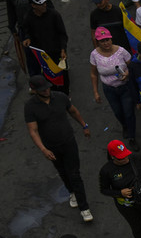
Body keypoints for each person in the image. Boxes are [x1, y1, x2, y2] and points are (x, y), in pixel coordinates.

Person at [24, 75, 94, 222]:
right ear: (35, 90)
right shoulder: (30, 107)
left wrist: (84, 125)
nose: (46, 91)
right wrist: (43, 149)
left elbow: (73, 111)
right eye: (42, 89)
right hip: (51, 147)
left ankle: (84, 208)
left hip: (69, 142)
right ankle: (72, 192)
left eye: (47, 88)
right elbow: (33, 131)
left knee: (74, 174)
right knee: (62, 171)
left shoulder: (60, 97)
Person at [91, 28, 139, 149]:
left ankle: (132, 137)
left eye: (107, 40)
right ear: (98, 42)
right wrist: (95, 92)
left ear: (111, 39)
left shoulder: (121, 51)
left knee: (129, 112)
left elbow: (133, 66)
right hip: (109, 89)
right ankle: (125, 125)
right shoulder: (94, 55)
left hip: (125, 87)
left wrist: (127, 74)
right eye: (102, 41)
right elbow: (93, 74)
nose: (105, 43)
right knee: (118, 112)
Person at [21, 0, 71, 94]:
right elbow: (26, 31)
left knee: (62, 75)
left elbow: (62, 34)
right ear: (33, 5)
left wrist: (63, 49)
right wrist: (27, 38)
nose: (44, 5)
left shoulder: (54, 15)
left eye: (44, 2)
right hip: (43, 55)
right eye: (40, 4)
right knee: (48, 77)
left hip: (57, 51)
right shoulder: (28, 17)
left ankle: (66, 95)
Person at [6, 0, 45, 72]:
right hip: (24, 30)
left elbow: (49, 8)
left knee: (45, 54)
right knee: (30, 57)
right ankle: (35, 78)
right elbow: (11, 10)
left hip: (39, 29)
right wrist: (12, 28)